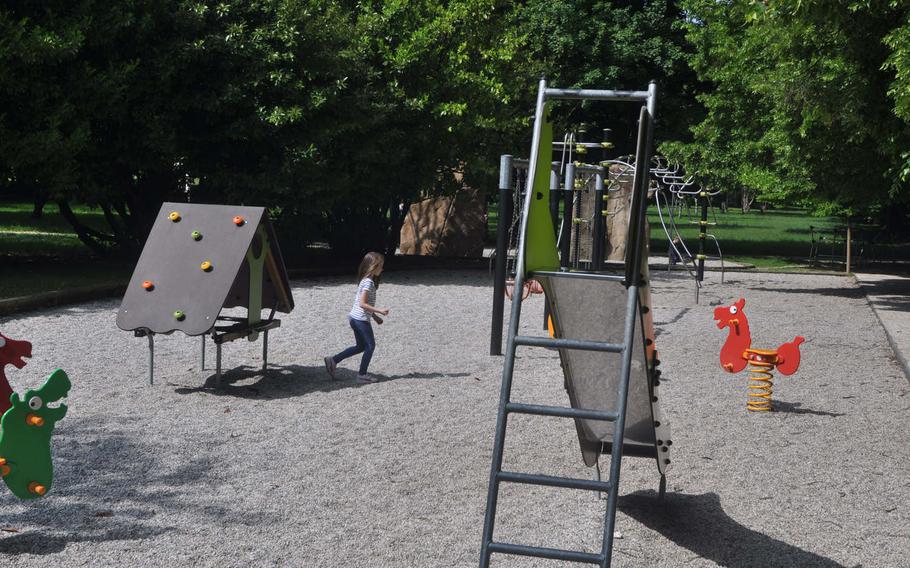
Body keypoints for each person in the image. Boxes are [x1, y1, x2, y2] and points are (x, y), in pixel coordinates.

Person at [324, 252, 390, 383]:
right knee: (370, 346)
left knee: (360, 346)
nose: (382, 269)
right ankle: (362, 375)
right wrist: (380, 311)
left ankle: (333, 360)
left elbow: (364, 304)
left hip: (354, 318)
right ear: (373, 266)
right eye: (380, 266)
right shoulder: (368, 283)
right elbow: (363, 303)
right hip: (360, 320)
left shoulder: (365, 280)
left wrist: (375, 317)